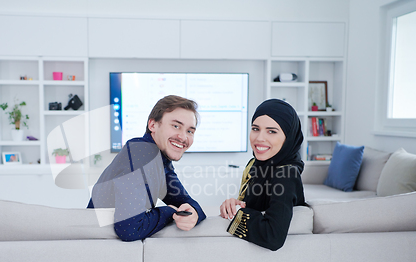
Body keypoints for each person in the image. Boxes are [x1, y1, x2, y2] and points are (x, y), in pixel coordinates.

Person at [88, 95, 206, 241]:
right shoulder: (141, 153)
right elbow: (129, 229)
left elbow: (186, 202)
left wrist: (193, 214)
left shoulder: (159, 160)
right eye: (176, 126)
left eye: (190, 131)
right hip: (100, 249)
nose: (183, 137)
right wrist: (170, 211)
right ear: (152, 125)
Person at [219, 99, 306, 251]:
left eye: (272, 131)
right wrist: (234, 205)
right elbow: (250, 206)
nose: (259, 138)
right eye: (255, 129)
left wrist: (237, 214)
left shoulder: (286, 174)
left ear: (288, 136)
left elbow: (273, 236)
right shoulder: (255, 164)